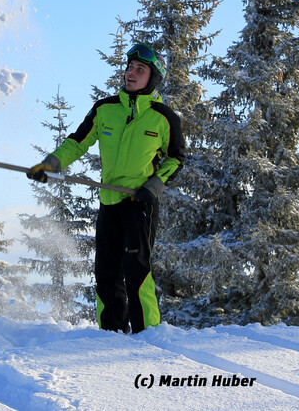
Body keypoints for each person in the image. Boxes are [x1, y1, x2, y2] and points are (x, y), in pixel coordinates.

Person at [28, 44, 185, 333]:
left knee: (136, 271)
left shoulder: (164, 118)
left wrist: (155, 184)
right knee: (105, 272)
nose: (131, 73)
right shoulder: (105, 109)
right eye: (130, 67)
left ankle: (147, 333)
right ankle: (111, 333)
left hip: (140, 203)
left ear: (153, 78)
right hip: (110, 202)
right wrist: (51, 163)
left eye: (140, 69)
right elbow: (77, 142)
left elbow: (176, 158)